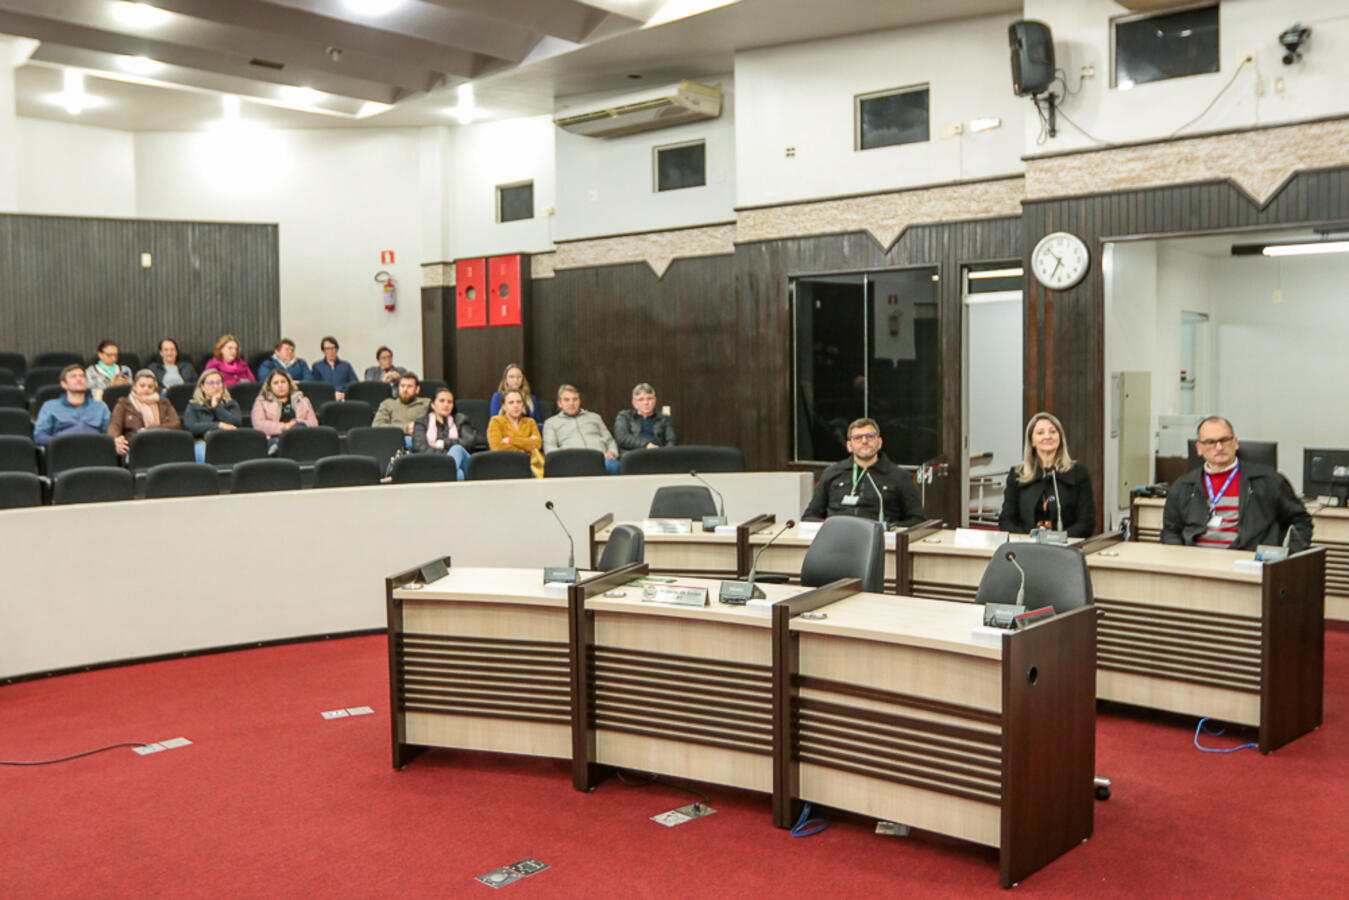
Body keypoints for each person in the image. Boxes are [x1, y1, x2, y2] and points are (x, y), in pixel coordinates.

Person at [1161, 416, 1311, 551]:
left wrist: (1287, 556)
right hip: (1196, 562)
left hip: (1246, 562)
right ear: (1199, 449)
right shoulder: (1183, 486)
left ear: (1235, 443)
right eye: (1211, 442)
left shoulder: (1268, 480)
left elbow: (1301, 521)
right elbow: (1170, 531)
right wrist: (1179, 557)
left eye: (1224, 440)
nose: (1219, 447)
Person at [802, 417, 927, 528]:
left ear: (879, 443)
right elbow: (810, 516)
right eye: (858, 438)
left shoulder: (899, 476)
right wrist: (827, 526)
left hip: (879, 540)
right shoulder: (832, 473)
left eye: (870, 436)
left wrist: (891, 528)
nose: (864, 441)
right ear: (849, 446)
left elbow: (918, 520)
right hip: (837, 538)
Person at [998, 412, 1095, 538]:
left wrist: (1058, 538)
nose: (1048, 436)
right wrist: (1029, 539)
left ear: (1060, 438)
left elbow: (1086, 523)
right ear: (1032, 441)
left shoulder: (1078, 473)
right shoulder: (1017, 475)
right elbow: (1006, 521)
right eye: (1040, 433)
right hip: (1028, 544)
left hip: (1066, 545)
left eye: (1053, 431)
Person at [543, 384, 621, 475]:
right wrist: (566, 459)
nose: (571, 403)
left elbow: (610, 441)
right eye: (567, 400)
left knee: (613, 465)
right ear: (559, 403)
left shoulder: (595, 417)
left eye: (575, 399)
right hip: (571, 462)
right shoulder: (551, 423)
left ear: (580, 401)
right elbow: (550, 449)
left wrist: (612, 453)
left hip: (600, 459)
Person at [107, 369, 183, 456]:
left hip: (164, 445)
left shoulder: (164, 403)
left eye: (150, 387)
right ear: (134, 386)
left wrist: (149, 431)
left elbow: (176, 424)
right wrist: (116, 440)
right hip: (135, 448)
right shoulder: (124, 403)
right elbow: (114, 426)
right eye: (142, 386)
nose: (146, 389)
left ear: (155, 388)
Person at [33, 364, 111, 445]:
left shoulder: (100, 407)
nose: (79, 379)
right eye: (73, 376)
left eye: (82, 376)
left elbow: (109, 434)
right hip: (64, 449)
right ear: (64, 384)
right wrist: (63, 443)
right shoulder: (50, 406)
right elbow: (39, 436)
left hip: (95, 448)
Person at [413, 388, 474, 480]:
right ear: (433, 404)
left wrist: (443, 443)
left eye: (449, 402)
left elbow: (469, 442)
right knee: (459, 474)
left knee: (457, 449)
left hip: (462, 462)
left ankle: (444, 471)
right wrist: (445, 456)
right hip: (433, 462)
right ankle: (446, 471)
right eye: (442, 401)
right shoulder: (422, 422)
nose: (446, 404)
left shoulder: (460, 419)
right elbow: (419, 447)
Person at [182, 370, 242, 462]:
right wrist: (219, 425)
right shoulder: (193, 405)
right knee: (205, 455)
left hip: (229, 441)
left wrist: (217, 406)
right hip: (203, 442)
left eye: (218, 382)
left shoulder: (231, 403)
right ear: (202, 386)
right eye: (211, 383)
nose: (216, 386)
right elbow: (191, 426)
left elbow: (236, 422)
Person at [251, 369, 318, 450]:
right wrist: (285, 427)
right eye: (276, 383)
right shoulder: (261, 401)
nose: (280, 385)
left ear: (289, 384)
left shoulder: (303, 400)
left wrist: (295, 423)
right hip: (275, 436)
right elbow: (258, 424)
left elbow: (314, 423)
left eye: (283, 382)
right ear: (269, 387)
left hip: (300, 435)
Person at [488, 388, 544, 477]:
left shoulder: (530, 422)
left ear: (523, 405)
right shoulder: (496, 421)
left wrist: (511, 440)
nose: (516, 406)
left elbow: (537, 444)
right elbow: (497, 447)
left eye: (519, 402)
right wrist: (526, 447)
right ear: (504, 406)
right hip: (505, 463)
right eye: (511, 403)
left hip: (529, 464)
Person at [613, 382, 677, 456]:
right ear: (634, 403)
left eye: (649, 399)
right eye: (641, 400)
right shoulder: (625, 416)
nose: (646, 403)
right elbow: (622, 438)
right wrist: (646, 445)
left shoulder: (664, 419)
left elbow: (671, 441)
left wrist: (665, 454)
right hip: (632, 455)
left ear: (655, 401)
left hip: (658, 454)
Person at [373, 371, 431, 447]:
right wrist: (405, 428)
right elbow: (377, 425)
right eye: (402, 386)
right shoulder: (388, 403)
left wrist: (419, 428)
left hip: (421, 441)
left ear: (417, 389)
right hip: (393, 442)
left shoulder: (426, 403)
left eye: (409, 386)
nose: (405, 389)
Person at [310, 336, 358, 400]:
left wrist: (343, 393)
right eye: (327, 349)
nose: (331, 351)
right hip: (325, 399)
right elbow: (315, 386)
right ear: (323, 351)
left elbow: (354, 384)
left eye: (333, 348)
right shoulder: (317, 366)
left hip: (343, 398)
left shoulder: (346, 366)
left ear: (337, 349)